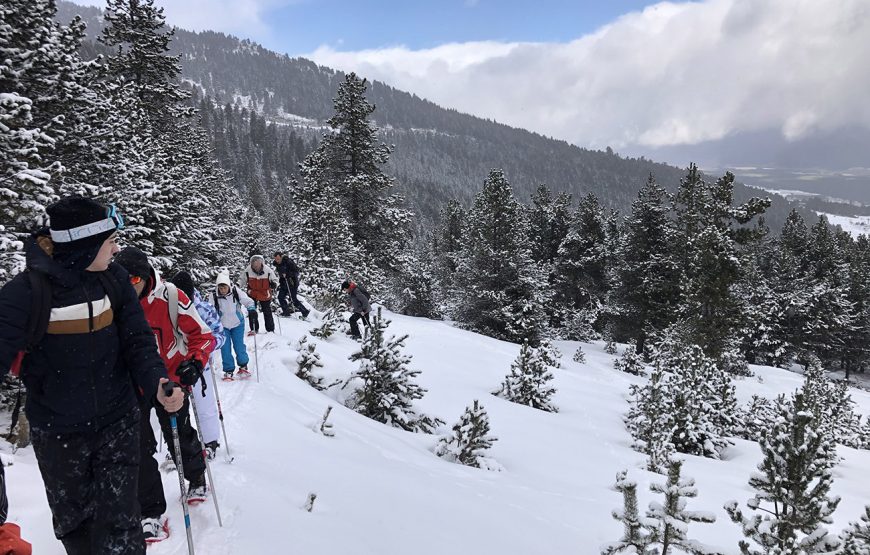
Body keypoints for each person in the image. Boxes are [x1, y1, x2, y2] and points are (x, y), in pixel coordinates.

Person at [0, 196, 182, 554]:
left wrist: (157, 381)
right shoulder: (25, 294)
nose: (117, 249)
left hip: (118, 420)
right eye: (110, 241)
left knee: (122, 524)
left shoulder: (112, 279)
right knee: (76, 527)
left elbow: (138, 339)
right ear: (84, 245)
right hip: (58, 432)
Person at [113, 248, 215, 543]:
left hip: (169, 378)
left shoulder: (170, 297)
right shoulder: (114, 299)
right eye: (121, 277)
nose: (127, 283)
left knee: (178, 434)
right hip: (131, 384)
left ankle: (195, 476)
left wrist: (194, 363)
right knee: (137, 444)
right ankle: (150, 510)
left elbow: (203, 335)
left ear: (145, 277)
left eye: (133, 278)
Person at [170, 270, 225, 459]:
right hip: (175, 367)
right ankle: (178, 445)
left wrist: (205, 348)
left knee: (204, 405)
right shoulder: (168, 309)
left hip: (200, 367)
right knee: (176, 407)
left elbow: (219, 334)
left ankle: (210, 441)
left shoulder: (203, 309)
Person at [212, 271, 255, 380]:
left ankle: (243, 365)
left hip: (237, 324)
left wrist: (251, 309)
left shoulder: (236, 292)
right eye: (220, 288)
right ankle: (228, 370)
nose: (222, 290)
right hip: (223, 326)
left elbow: (248, 301)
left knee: (239, 346)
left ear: (228, 285)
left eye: (224, 288)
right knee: (225, 348)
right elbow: (210, 310)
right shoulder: (214, 296)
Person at [241, 254, 278, 334]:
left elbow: (275, 279)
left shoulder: (268, 270)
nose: (255, 266)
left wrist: (274, 283)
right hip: (252, 292)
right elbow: (242, 280)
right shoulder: (248, 270)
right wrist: (237, 286)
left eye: (257, 264)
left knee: (267, 311)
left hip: (264, 293)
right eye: (254, 264)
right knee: (252, 311)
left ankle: (270, 329)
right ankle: (254, 328)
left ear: (261, 263)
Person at [273, 252, 309, 318]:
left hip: (292, 283)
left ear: (281, 257)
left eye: (278, 259)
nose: (277, 261)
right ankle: (286, 312)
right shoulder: (277, 264)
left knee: (293, 299)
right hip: (284, 283)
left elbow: (297, 271)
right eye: (275, 259)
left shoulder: (288, 262)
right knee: (280, 297)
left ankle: (305, 311)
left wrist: (288, 274)